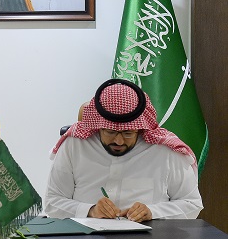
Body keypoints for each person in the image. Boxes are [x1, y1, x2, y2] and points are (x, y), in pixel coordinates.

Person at [45, 79, 202, 222]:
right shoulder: (75, 145)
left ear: (139, 129)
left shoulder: (165, 151)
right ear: (98, 126)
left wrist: (153, 212)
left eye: (128, 133)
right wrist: (90, 210)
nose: (118, 141)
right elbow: (52, 202)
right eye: (110, 132)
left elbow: (192, 203)